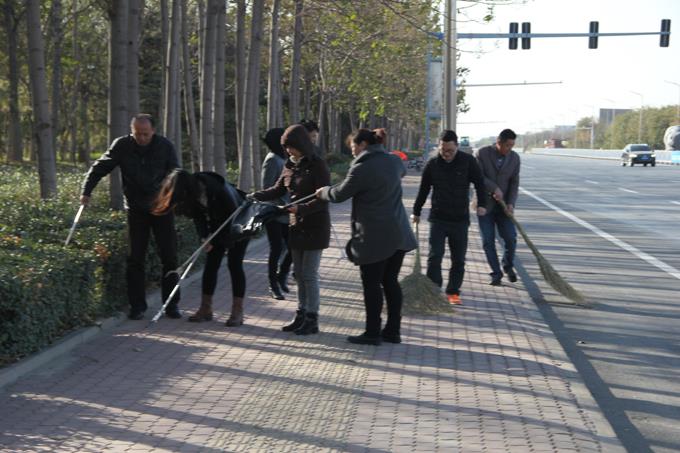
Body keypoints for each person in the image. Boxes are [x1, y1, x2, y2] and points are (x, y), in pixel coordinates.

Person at [316, 129, 417, 345]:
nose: (352, 151)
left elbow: (339, 194)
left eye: (353, 146)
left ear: (362, 144)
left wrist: (324, 192)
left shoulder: (362, 167)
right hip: (399, 232)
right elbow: (400, 172)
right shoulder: (394, 161)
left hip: (374, 236)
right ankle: (393, 331)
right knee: (390, 281)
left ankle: (372, 332)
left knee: (371, 283)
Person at [80, 114, 180, 320]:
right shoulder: (122, 145)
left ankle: (171, 305)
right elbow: (100, 167)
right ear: (131, 130)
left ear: (153, 131)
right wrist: (86, 191)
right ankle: (137, 306)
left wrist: (175, 200)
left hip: (162, 208)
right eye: (137, 134)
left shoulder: (165, 146)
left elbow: (176, 175)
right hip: (136, 209)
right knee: (135, 259)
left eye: (145, 134)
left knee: (169, 257)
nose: (141, 138)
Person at [250, 124, 330, 335]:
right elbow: (277, 189)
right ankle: (301, 314)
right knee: (299, 274)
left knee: (309, 274)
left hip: (315, 226)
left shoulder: (318, 165)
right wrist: (255, 195)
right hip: (296, 225)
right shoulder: (289, 165)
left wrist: (301, 208)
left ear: (301, 144)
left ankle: (312, 318)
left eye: (291, 147)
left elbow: (323, 199)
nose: (288, 151)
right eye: (285, 147)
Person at [152, 170, 250, 326]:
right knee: (211, 265)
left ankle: (237, 312)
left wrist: (221, 241)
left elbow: (234, 216)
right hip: (218, 225)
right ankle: (206, 309)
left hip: (240, 224)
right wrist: (205, 237)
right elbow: (199, 218)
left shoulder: (217, 188)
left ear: (186, 188)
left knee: (234, 265)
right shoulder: (192, 195)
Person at [412, 130, 487, 305]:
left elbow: (479, 183)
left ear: (457, 147)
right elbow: (423, 190)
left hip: (460, 219)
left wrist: (482, 204)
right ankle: (434, 290)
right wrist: (416, 211)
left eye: (450, 150)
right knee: (435, 256)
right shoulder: (432, 164)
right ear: (439, 146)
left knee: (458, 259)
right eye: (443, 150)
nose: (446, 154)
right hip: (438, 218)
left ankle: (453, 292)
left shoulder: (468, 161)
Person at [475, 129, 521, 286]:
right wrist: (494, 188)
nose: (510, 149)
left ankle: (507, 265)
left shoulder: (514, 158)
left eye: (512, 145)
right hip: (484, 205)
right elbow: (478, 177)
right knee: (488, 241)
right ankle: (496, 273)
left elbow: (514, 183)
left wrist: (511, 203)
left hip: (504, 207)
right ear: (498, 142)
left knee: (511, 238)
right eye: (507, 145)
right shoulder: (482, 153)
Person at [261, 128, 293, 300]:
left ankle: (282, 275)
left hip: (288, 212)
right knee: (277, 248)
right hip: (273, 213)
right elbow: (267, 187)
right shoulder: (272, 159)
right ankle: (273, 284)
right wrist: (281, 204)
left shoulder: (285, 158)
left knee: (292, 246)